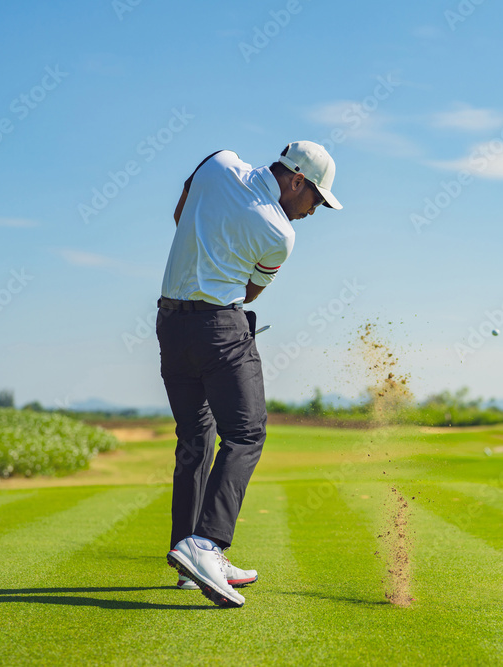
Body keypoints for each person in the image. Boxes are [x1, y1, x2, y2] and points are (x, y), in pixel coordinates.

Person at [158, 141, 342, 608]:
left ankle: (187, 555)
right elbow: (251, 291)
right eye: (316, 200)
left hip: (169, 323)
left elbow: (182, 211)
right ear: (297, 180)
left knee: (196, 437)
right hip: (220, 328)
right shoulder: (279, 232)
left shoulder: (219, 161)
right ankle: (207, 545)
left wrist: (205, 246)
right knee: (246, 433)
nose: (313, 212)